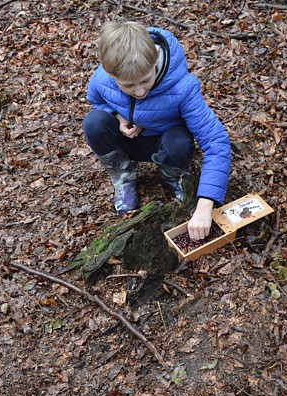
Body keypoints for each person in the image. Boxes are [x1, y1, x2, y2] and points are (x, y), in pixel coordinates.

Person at [83, 21, 231, 241]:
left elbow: (216, 142)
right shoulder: (103, 79)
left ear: (157, 56)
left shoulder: (183, 88)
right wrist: (117, 117)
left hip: (165, 144)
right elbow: (97, 102)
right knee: (93, 123)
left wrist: (205, 204)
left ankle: (173, 176)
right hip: (130, 141)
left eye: (145, 81)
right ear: (110, 74)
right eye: (128, 86)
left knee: (179, 141)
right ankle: (123, 177)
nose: (140, 91)